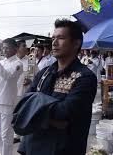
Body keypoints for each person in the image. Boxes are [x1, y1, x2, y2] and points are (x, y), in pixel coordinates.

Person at [15, 19, 97, 155]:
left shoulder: (85, 77)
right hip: (32, 146)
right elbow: (25, 102)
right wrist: (52, 118)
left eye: (61, 38)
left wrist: (35, 109)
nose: (54, 42)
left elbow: (65, 113)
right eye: (53, 38)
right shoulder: (44, 72)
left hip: (63, 149)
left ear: (76, 43)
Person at [0, 38, 23, 155]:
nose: (4, 50)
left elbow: (7, 76)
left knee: (6, 135)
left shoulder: (18, 64)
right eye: (3, 47)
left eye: (7, 47)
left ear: (15, 49)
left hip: (7, 102)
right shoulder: (1, 62)